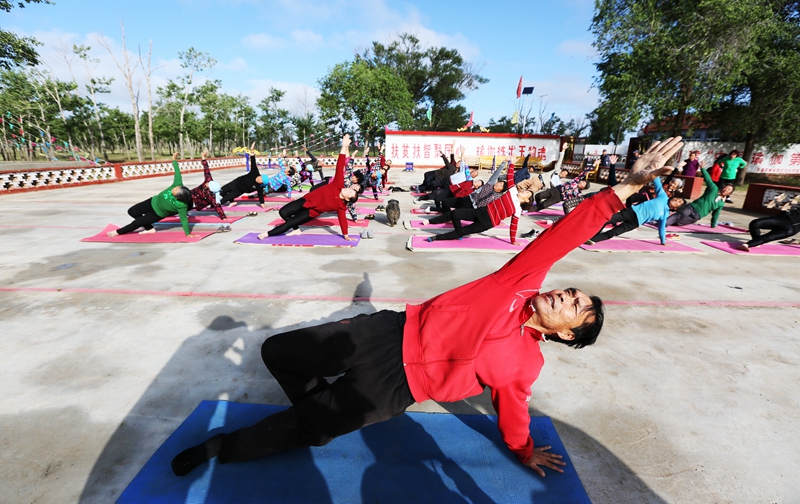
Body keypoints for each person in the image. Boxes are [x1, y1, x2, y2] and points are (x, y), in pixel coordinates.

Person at [169, 136, 686, 479]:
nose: (566, 295)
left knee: (312, 430)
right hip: (386, 334)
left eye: (574, 308)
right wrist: (626, 185)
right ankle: (316, 408)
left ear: (566, 334)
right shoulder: (519, 281)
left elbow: (514, 411)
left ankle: (224, 447)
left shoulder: (527, 363)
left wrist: (524, 451)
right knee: (278, 350)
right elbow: (567, 234)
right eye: (573, 291)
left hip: (397, 388)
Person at [257, 135, 359, 240]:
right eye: (351, 190)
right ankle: (296, 230)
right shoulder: (338, 184)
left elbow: (343, 220)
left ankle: (266, 234)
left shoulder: (341, 207)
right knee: (283, 212)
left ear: (347, 199)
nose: (349, 189)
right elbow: (340, 164)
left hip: (310, 212)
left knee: (289, 223)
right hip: (306, 200)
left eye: (350, 193)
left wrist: (346, 235)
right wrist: (344, 147)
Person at [426, 162, 532, 245]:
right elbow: (509, 177)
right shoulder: (512, 191)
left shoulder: (517, 209)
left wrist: (513, 240)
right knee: (455, 214)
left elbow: (514, 225)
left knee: (462, 231)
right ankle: (451, 230)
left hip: (488, 222)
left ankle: (436, 238)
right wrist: (511, 162)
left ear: (527, 200)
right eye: (525, 190)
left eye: (527, 193)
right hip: (481, 211)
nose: (524, 191)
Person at [108, 153, 194, 237]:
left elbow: (183, 219)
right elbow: (177, 173)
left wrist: (188, 233)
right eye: (176, 188)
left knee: (137, 223)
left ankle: (118, 232)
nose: (173, 189)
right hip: (152, 202)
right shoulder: (178, 184)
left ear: (178, 197)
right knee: (132, 211)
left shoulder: (182, 205)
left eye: (174, 191)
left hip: (157, 213)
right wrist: (174, 160)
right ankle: (149, 228)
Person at [586, 172, 679, 246]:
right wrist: (657, 170)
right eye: (677, 199)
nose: (676, 200)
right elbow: (657, 183)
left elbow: (662, 228)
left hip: (635, 223)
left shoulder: (665, 214)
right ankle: (588, 235)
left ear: (675, 208)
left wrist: (663, 241)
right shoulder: (663, 197)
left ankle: (593, 239)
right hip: (631, 212)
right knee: (606, 220)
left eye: (678, 202)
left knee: (612, 233)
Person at [666, 166, 733, 228]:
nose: (726, 189)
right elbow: (708, 179)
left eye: (728, 189)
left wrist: (713, 225)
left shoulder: (721, 203)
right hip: (692, 207)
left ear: (729, 193)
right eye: (725, 187)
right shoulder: (714, 189)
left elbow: (716, 214)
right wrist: (702, 168)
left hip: (697, 216)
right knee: (680, 215)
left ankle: (664, 220)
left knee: (678, 222)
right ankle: (664, 223)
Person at [219, 143, 269, 209]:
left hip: (239, 191)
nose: (259, 181)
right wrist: (252, 150)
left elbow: (260, 195)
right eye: (260, 179)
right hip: (235, 182)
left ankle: (214, 206)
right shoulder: (255, 172)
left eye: (261, 182)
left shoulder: (259, 186)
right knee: (221, 191)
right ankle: (232, 202)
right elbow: (253, 161)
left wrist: (263, 205)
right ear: (261, 176)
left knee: (224, 200)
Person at [736, 207, 800, 251]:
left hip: (790, 228)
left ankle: (747, 244)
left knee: (767, 238)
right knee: (755, 223)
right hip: (782, 219)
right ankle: (756, 241)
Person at [188, 150, 227, 221]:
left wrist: (223, 217)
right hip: (190, 194)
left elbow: (218, 207)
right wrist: (203, 158)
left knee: (182, 208)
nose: (206, 183)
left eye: (208, 184)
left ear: (211, 189)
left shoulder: (212, 197)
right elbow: (206, 170)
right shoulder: (209, 181)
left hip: (195, 204)